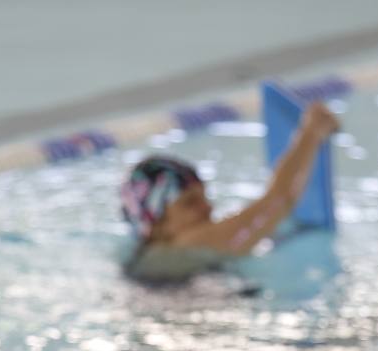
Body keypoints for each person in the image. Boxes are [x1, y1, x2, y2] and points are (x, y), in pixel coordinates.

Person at [119, 101, 340, 281]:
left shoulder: (145, 260)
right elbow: (278, 202)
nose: (208, 207)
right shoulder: (185, 247)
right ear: (157, 221)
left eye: (204, 197)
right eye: (190, 202)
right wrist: (311, 132)